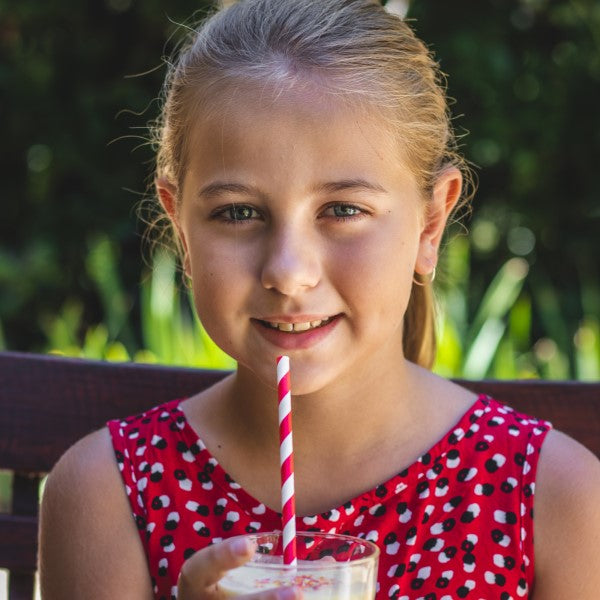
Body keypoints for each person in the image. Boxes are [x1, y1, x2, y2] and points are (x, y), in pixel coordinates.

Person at [38, 1, 600, 598]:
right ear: (181, 226)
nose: (288, 272)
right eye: (238, 213)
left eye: (343, 211)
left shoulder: (556, 500)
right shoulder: (106, 492)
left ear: (430, 226)